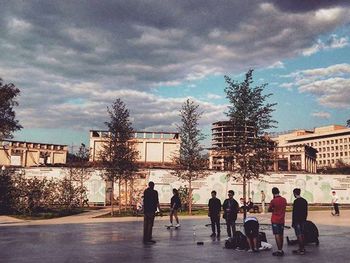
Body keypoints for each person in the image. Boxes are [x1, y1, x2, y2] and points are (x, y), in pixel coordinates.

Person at [268, 187, 287, 257]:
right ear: (279, 191)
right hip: (282, 219)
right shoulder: (284, 199)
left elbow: (269, 209)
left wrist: (273, 209)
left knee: (277, 234)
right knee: (281, 234)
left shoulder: (273, 201)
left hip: (275, 220)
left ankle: (279, 250)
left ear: (273, 193)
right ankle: (281, 249)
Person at [291, 188, 308, 255]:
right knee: (302, 234)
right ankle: (302, 248)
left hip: (297, 220)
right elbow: (306, 212)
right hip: (303, 220)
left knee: (299, 235)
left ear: (295, 193)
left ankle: (301, 249)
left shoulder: (296, 201)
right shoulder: (304, 201)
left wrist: (293, 222)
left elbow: (294, 213)